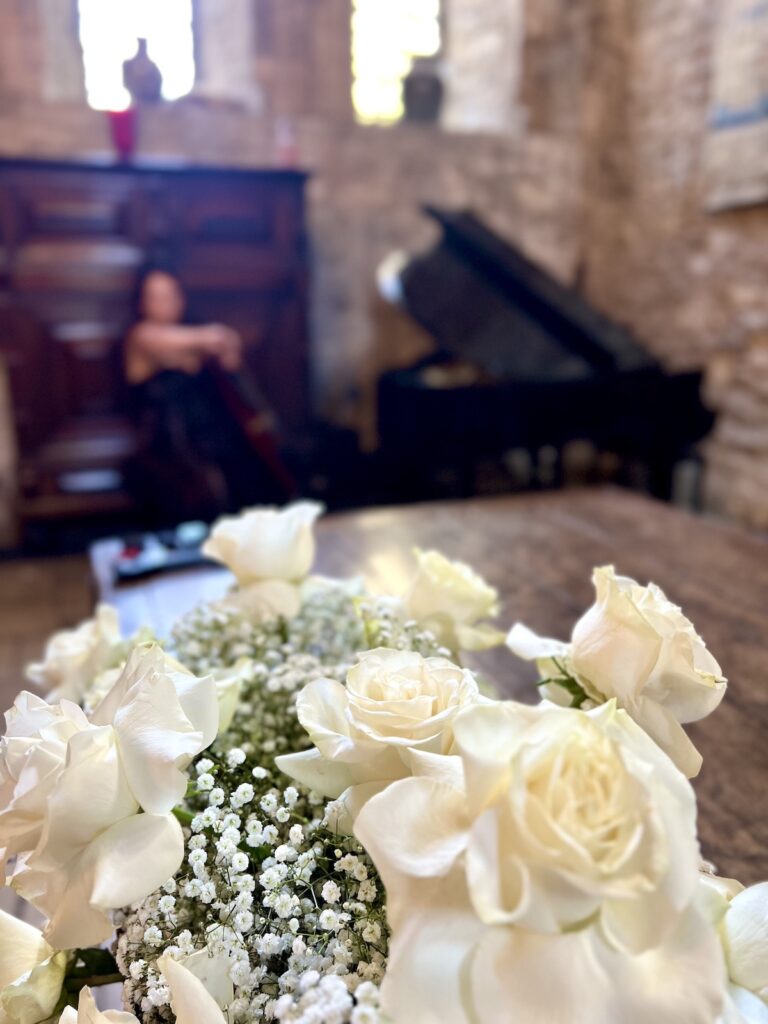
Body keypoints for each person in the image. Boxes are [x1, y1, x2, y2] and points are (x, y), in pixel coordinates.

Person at [125, 269, 294, 525]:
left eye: (169, 296)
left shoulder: (192, 339)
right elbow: (212, 337)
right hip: (168, 450)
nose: (164, 304)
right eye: (155, 297)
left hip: (208, 439)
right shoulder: (142, 335)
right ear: (142, 302)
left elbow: (228, 355)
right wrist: (219, 339)